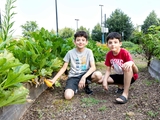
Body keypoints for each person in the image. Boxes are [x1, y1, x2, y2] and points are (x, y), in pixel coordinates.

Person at [49, 30, 102, 100]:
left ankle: (85, 85)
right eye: (78, 40)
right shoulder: (70, 53)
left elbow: (93, 67)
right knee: (67, 96)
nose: (80, 42)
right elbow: (63, 68)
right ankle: (75, 87)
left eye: (83, 40)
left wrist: (83, 77)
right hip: (73, 77)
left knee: (98, 75)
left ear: (86, 42)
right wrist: (54, 80)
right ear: (74, 42)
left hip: (85, 74)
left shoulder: (89, 52)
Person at [102, 32, 138, 104]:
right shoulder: (109, 55)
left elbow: (136, 72)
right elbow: (108, 70)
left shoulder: (124, 52)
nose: (113, 44)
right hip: (120, 76)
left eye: (115, 42)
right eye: (110, 43)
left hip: (131, 77)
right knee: (100, 79)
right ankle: (120, 85)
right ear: (107, 45)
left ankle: (125, 94)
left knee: (127, 67)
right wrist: (105, 80)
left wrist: (132, 63)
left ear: (120, 43)